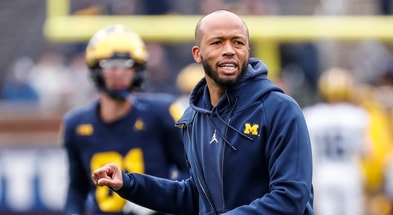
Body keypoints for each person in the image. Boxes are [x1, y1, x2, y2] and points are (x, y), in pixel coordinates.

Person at [92, 10, 315, 215]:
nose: (229, 50)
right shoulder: (194, 118)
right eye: (217, 42)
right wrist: (129, 183)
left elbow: (290, 197)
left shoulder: (280, 109)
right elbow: (196, 196)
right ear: (198, 54)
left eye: (237, 42)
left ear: (247, 50)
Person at [60, 24, 189, 215]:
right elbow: (77, 188)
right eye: (110, 65)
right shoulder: (76, 124)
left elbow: (190, 171)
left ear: (138, 68)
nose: (119, 72)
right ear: (96, 68)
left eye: (127, 64)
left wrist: (157, 196)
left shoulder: (161, 113)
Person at [302, 67, 371, 215]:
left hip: (324, 175)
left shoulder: (312, 115)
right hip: (349, 174)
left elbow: (309, 152)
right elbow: (367, 151)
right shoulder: (357, 116)